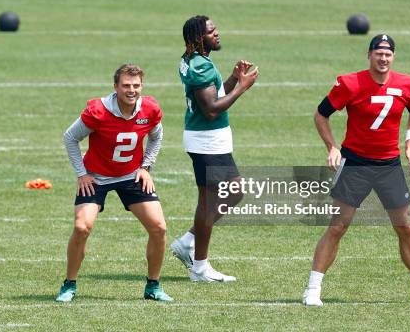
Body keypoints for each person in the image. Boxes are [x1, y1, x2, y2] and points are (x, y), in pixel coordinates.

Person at [302, 34, 410, 306]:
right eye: (378, 53)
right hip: (356, 163)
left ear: (393, 57)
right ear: (369, 55)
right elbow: (321, 114)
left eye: (388, 54)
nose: (383, 58)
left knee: (405, 228)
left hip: (389, 165)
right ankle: (312, 289)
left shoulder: (407, 84)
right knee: (338, 227)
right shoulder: (349, 83)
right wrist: (332, 147)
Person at [56, 64, 173, 302]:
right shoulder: (98, 111)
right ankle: (69, 284)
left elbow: (157, 135)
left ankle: (153, 286)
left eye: (136, 85)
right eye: (126, 85)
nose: (131, 90)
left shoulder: (149, 109)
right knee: (81, 228)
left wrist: (146, 167)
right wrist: (82, 173)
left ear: (142, 86)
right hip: (96, 177)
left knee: (159, 228)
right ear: (115, 87)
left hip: (131, 175)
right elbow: (70, 137)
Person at [170, 15, 259, 282]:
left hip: (207, 139)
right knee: (219, 198)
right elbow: (211, 109)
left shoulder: (191, 60)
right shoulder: (200, 66)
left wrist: (231, 79)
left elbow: (213, 94)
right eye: (211, 31)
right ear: (199, 38)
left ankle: (188, 242)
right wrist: (242, 88)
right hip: (207, 139)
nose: (217, 33)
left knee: (227, 194)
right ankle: (199, 267)